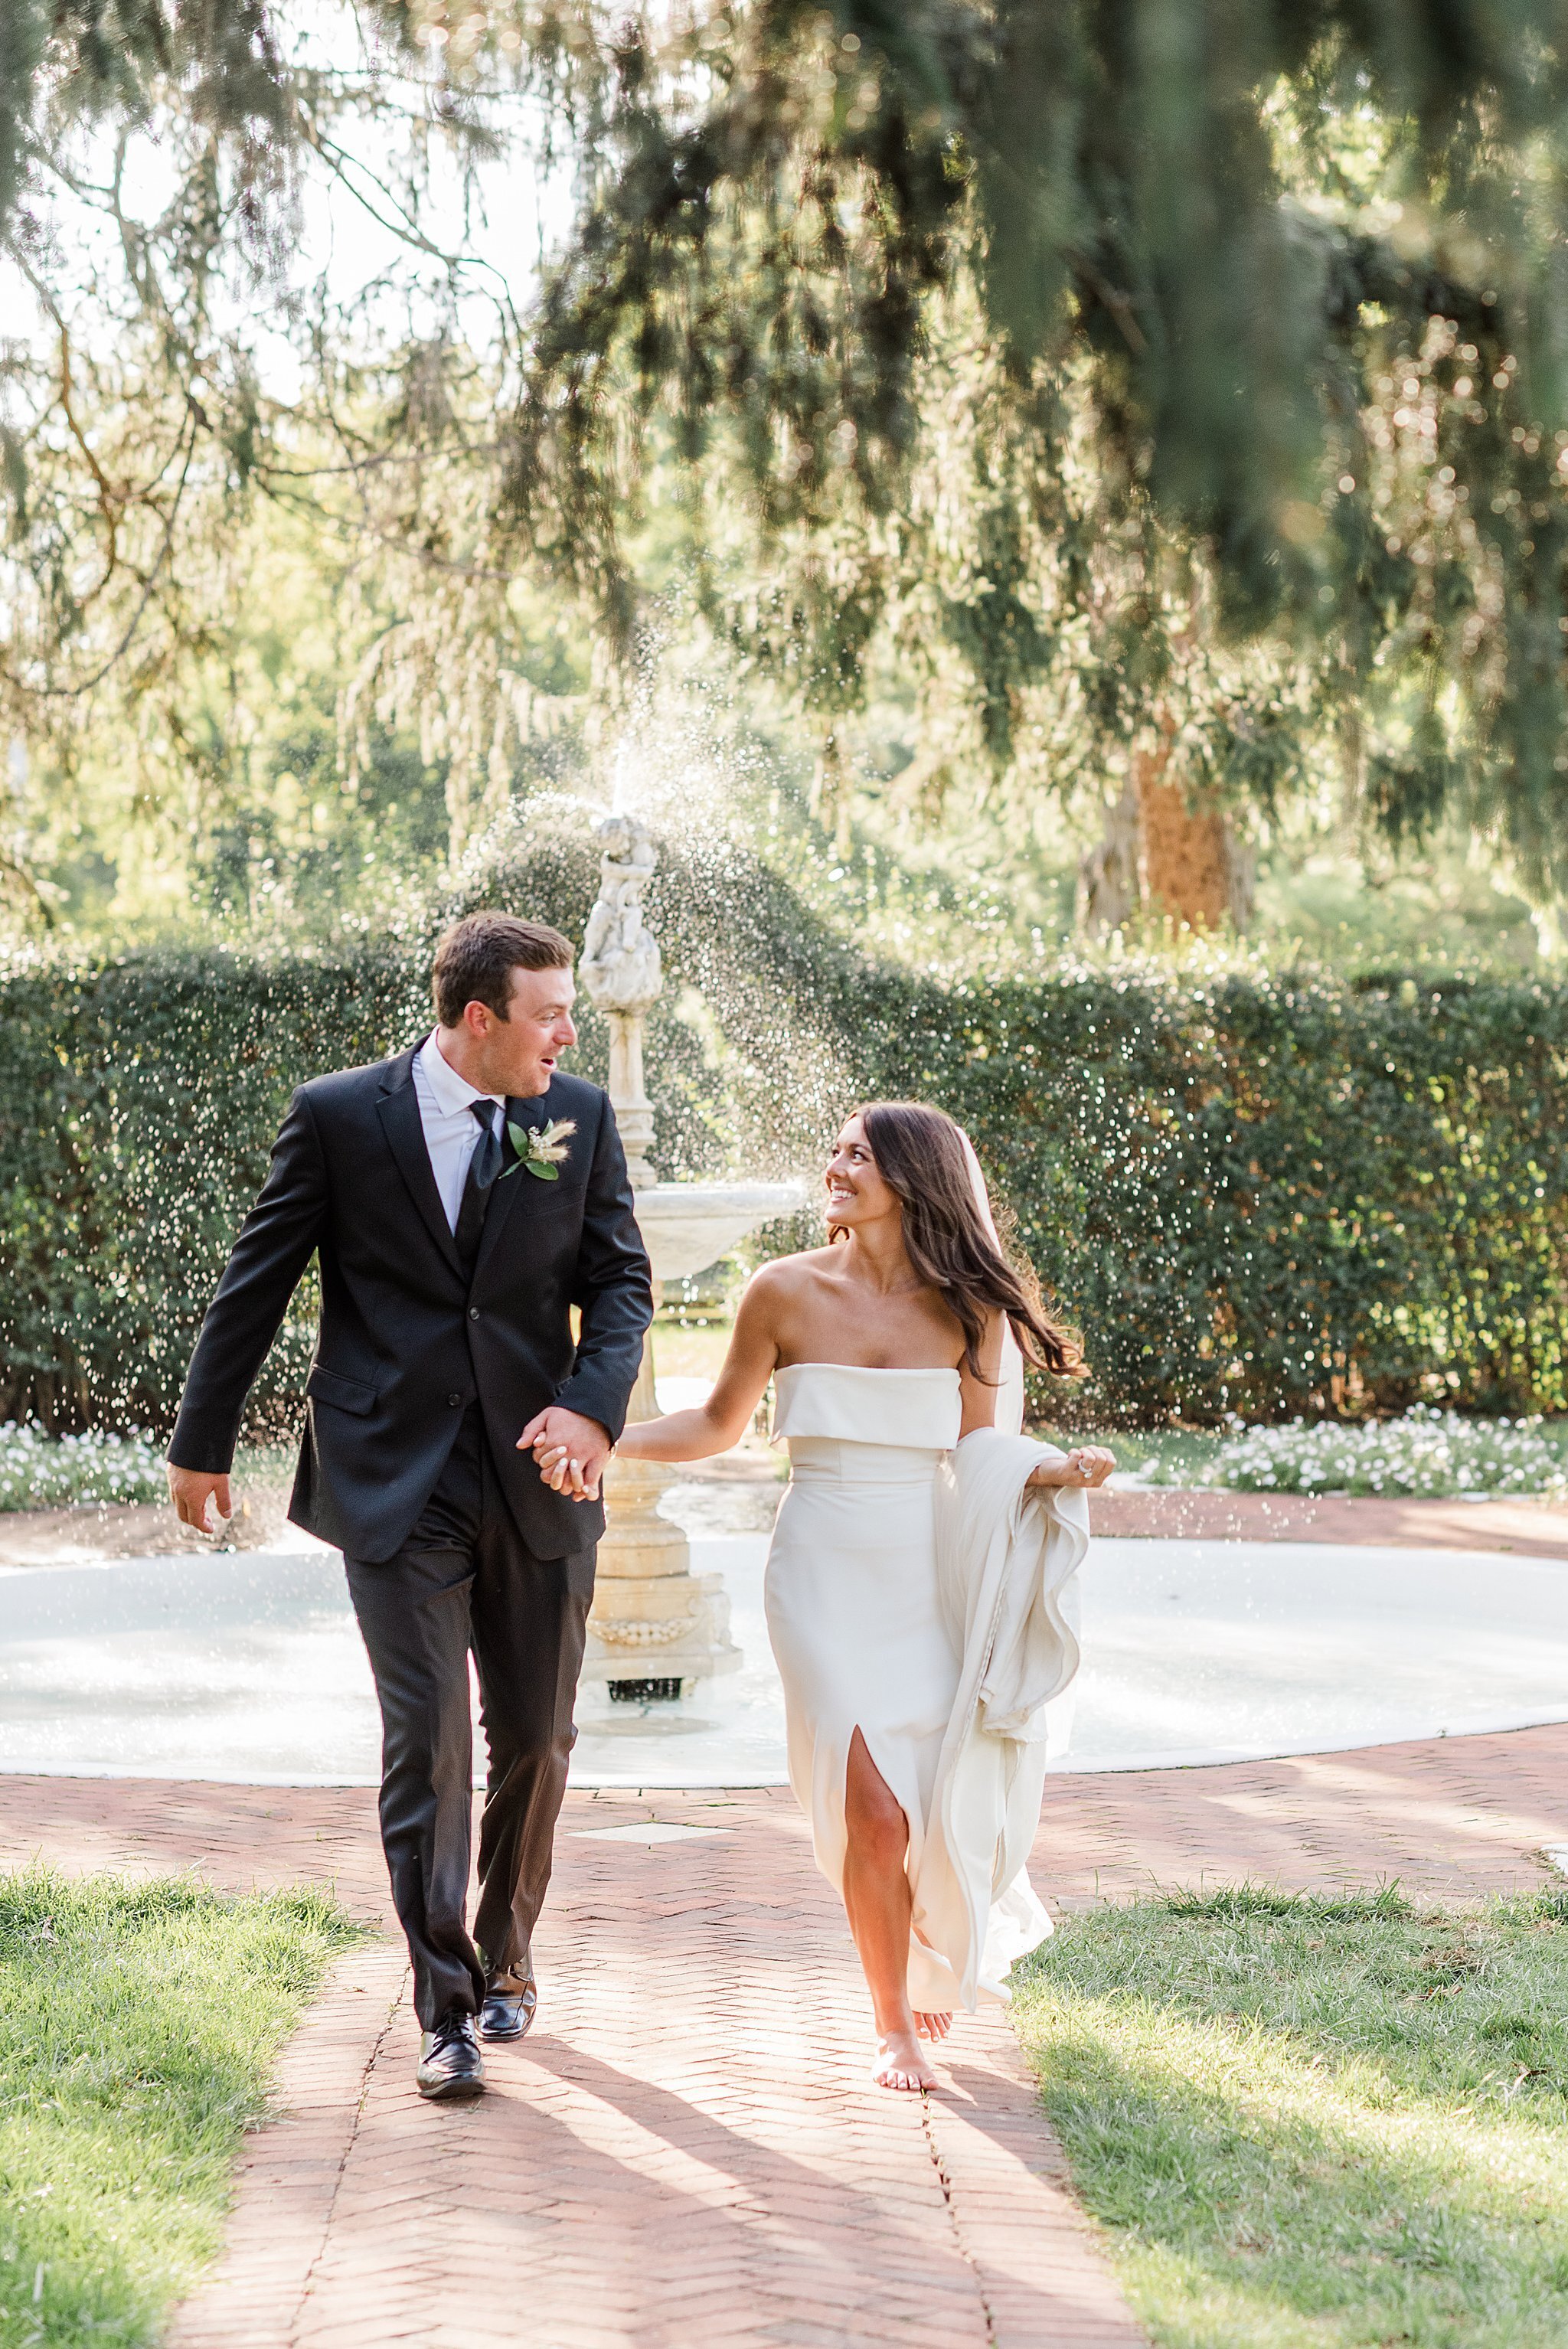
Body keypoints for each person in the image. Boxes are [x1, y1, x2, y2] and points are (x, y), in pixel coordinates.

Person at [167, 913, 653, 2101]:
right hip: (392, 1473)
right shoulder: (340, 1116)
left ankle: (507, 1954)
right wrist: (202, 1440)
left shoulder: (575, 1117)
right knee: (429, 1742)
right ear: (478, 1020)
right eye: (548, 1012)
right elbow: (258, 1279)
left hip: (541, 1470)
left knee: (536, 1737)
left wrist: (593, 1408)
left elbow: (622, 1280)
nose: (568, 1032)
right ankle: (446, 2007)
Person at [534, 1099, 1112, 2092]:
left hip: (924, 1559)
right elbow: (718, 1425)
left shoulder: (970, 1307)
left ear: (913, 1179)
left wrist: (1052, 1472)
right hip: (818, 1566)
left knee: (931, 1791)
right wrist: (603, 1434)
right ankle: (894, 2025)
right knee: (874, 1807)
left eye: (860, 1155)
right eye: (836, 1149)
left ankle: (922, 1950)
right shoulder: (781, 1293)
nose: (837, 1166)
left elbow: (984, 1450)